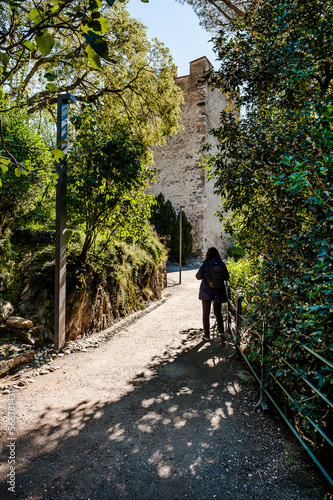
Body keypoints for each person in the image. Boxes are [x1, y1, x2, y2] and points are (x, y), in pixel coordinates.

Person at [196, 247, 229, 342]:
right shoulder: (222, 264)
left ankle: (206, 335)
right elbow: (227, 277)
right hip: (218, 291)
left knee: (206, 313)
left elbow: (198, 277)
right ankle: (221, 332)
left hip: (206, 292)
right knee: (218, 313)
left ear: (208, 254)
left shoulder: (205, 264)